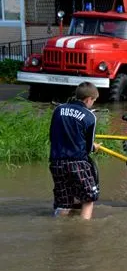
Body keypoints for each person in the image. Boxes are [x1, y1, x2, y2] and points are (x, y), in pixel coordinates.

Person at [49, 82, 101, 220]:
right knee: (89, 198)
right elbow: (89, 148)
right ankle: (83, 233)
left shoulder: (58, 110)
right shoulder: (90, 117)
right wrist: (95, 147)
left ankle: (57, 227)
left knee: (64, 203)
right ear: (88, 99)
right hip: (77, 162)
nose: (92, 104)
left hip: (56, 162)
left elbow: (52, 136)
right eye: (94, 101)